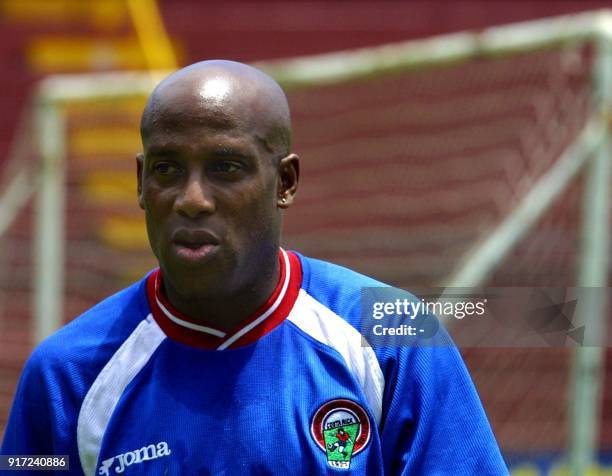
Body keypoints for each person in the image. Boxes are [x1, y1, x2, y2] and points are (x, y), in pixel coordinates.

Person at [1, 60, 508, 475]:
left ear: (285, 181)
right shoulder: (66, 376)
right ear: (139, 183)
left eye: (225, 167)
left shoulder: (396, 337)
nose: (192, 200)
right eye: (166, 169)